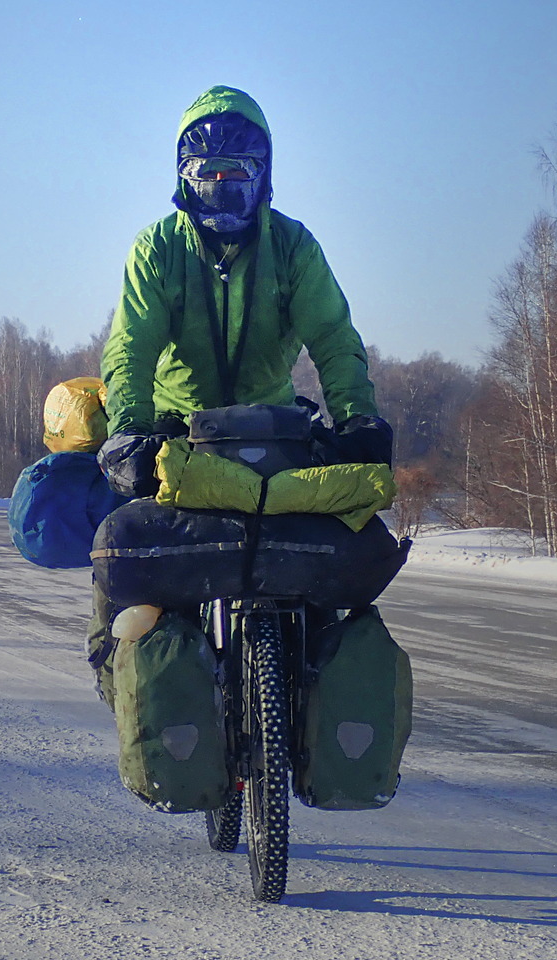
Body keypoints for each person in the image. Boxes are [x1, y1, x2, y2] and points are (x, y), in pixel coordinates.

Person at [87, 85, 392, 705]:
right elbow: (130, 347)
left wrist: (358, 418)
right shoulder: (158, 248)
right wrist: (129, 428)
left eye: (238, 171)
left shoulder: (293, 247)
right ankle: (118, 674)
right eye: (208, 172)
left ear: (264, 175)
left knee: (320, 555)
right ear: (183, 175)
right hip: (179, 435)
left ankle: (312, 681)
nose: (223, 186)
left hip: (270, 431)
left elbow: (333, 337)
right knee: (127, 544)